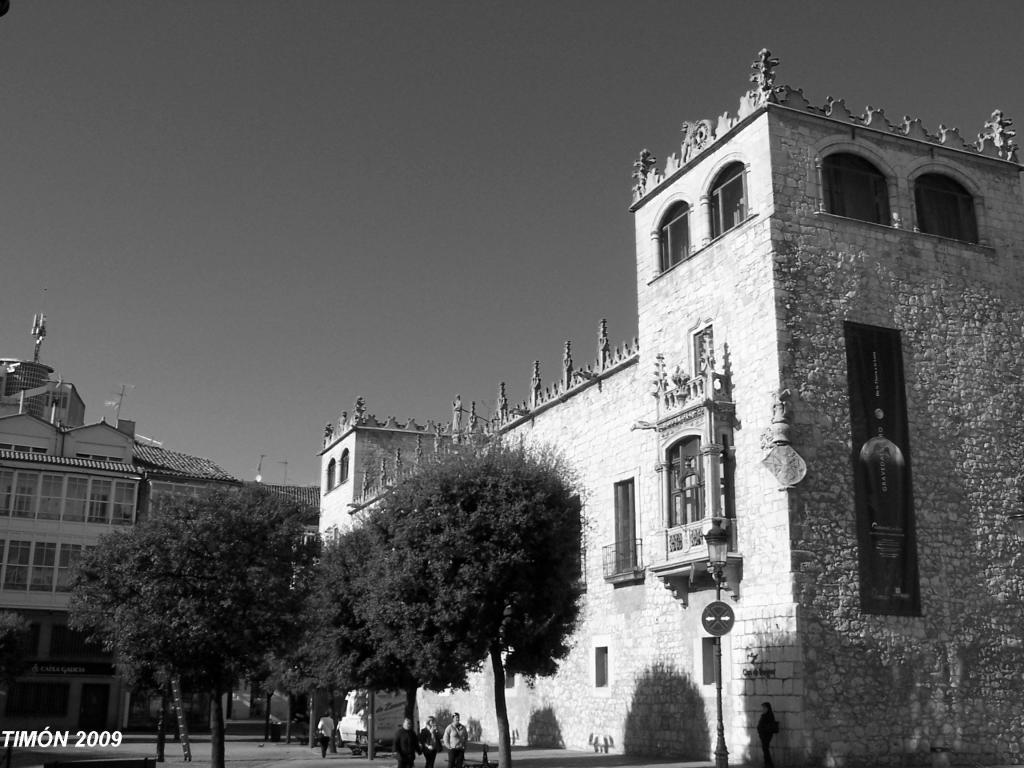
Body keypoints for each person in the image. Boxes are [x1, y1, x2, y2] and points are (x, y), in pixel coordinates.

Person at [757, 701, 778, 768]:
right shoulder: (764, 715)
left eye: (764, 708)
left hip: (767, 735)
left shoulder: (769, 716)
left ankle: (769, 764)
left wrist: (763, 731)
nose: (763, 709)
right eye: (763, 708)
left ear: (768, 708)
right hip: (763, 735)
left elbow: (768, 726)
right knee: (765, 749)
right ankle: (767, 764)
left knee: (765, 749)